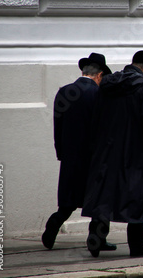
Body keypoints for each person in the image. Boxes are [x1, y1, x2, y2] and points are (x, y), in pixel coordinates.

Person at [81, 50, 143, 258]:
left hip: (106, 152)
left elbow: (95, 118)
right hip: (136, 154)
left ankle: (95, 239)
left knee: (104, 195)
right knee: (139, 196)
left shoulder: (107, 84)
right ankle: (136, 245)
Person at [42, 53, 116, 252]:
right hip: (94, 158)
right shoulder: (99, 95)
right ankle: (96, 240)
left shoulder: (64, 92)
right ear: (99, 75)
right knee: (100, 202)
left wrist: (61, 152)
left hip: (70, 157)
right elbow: (103, 128)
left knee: (68, 201)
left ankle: (54, 224)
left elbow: (58, 126)